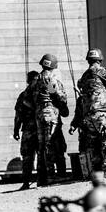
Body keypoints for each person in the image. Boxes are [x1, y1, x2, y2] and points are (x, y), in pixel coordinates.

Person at [76, 48, 106, 181]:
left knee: (93, 144)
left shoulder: (85, 76)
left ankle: (96, 171)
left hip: (89, 115)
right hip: (102, 113)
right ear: (100, 60)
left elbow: (80, 84)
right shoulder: (100, 71)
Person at [29, 54, 69, 187]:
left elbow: (30, 99)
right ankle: (51, 176)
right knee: (50, 144)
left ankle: (42, 177)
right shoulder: (49, 78)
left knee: (42, 145)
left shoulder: (35, 80)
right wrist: (63, 101)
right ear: (53, 66)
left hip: (39, 114)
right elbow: (56, 95)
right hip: (49, 113)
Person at [12, 70, 39, 190]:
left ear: (28, 80)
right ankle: (43, 180)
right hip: (41, 128)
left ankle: (26, 182)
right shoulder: (44, 91)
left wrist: (16, 130)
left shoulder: (23, 95)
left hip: (28, 129)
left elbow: (18, 115)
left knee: (27, 156)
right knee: (43, 154)